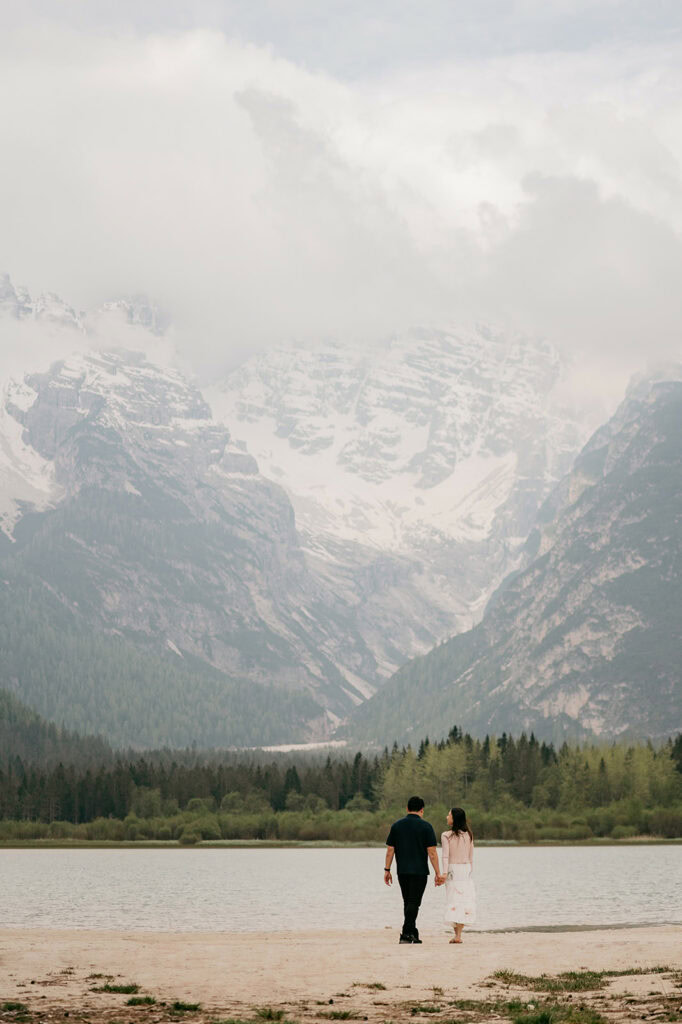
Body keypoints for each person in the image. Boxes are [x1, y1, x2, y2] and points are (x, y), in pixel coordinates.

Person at [384, 795, 445, 944]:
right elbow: (432, 852)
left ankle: (412, 933)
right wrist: (438, 872)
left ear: (407, 808)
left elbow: (390, 850)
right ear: (422, 810)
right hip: (419, 871)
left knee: (408, 902)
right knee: (414, 902)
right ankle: (406, 933)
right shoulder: (426, 827)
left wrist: (387, 869)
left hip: (402, 871)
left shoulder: (397, 826)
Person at [441, 806, 476, 943]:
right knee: (463, 900)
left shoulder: (446, 835)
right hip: (465, 869)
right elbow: (471, 855)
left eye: (449, 815)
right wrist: (469, 870)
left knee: (453, 899)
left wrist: (444, 873)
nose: (447, 817)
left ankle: (458, 935)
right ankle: (458, 935)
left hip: (453, 869)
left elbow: (445, 856)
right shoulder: (469, 835)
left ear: (454, 818)